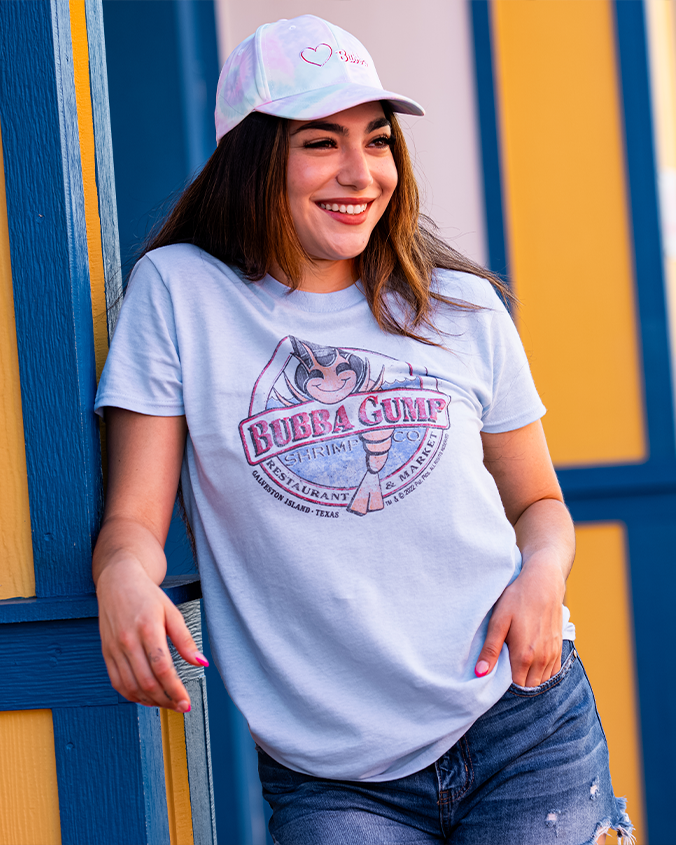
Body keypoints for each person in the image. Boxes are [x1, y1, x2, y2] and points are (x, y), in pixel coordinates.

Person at [93, 14, 634, 845]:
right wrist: (124, 580)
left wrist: (544, 575)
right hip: (334, 774)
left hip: (523, 725)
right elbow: (133, 521)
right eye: (320, 142)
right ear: (253, 156)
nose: (360, 173)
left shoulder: (458, 307)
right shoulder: (178, 296)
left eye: (377, 141)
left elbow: (540, 505)